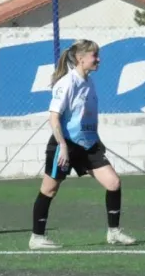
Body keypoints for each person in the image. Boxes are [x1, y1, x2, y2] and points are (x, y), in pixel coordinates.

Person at [29, 40, 136, 250]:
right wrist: (63, 146)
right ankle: (37, 237)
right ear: (81, 59)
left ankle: (114, 232)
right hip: (66, 144)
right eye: (94, 55)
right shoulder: (67, 83)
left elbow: (85, 117)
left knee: (113, 183)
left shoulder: (89, 82)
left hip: (89, 145)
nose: (98, 59)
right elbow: (54, 118)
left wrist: (97, 139)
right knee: (49, 190)